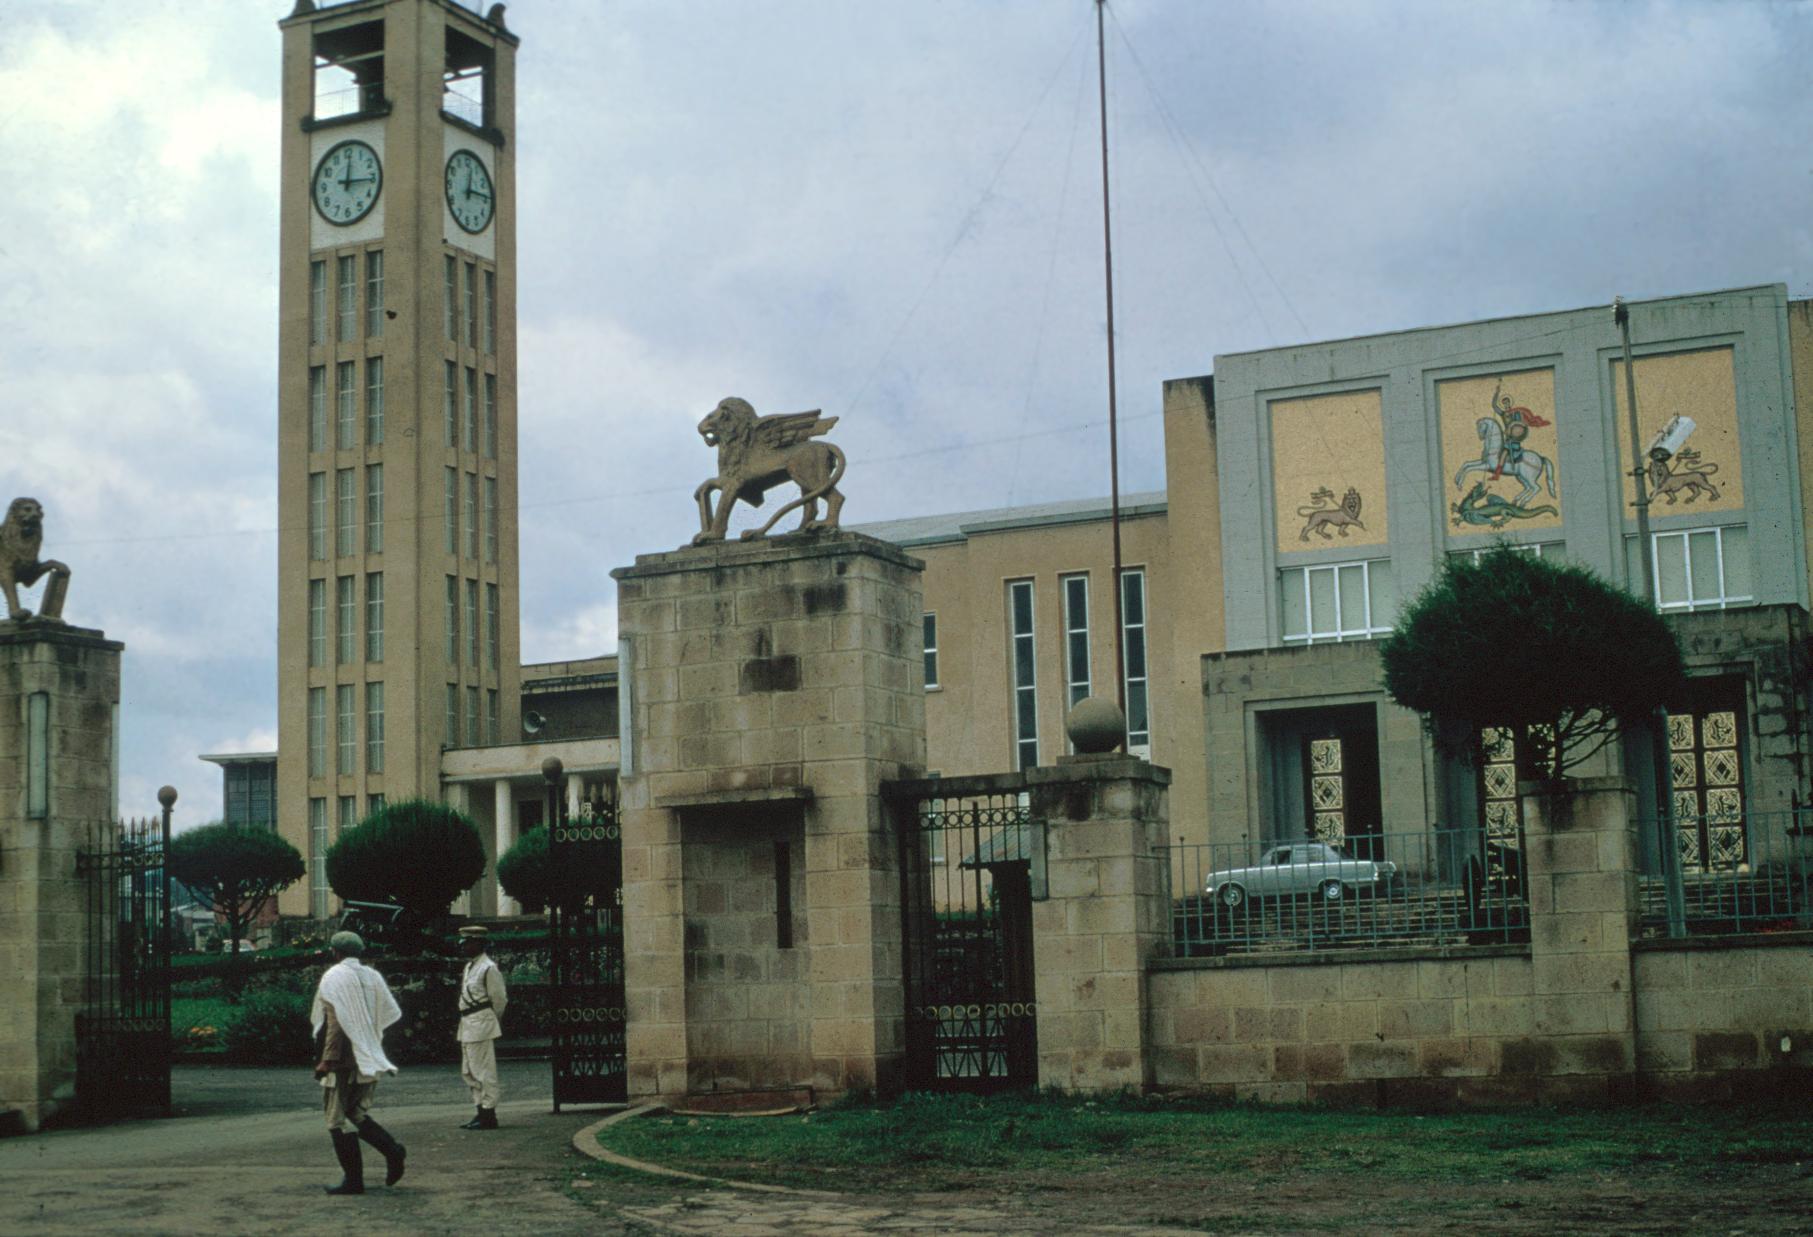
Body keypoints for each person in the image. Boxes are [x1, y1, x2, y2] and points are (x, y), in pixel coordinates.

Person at [310, 930, 407, 1195]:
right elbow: (389, 1012)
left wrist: (327, 1061)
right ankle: (393, 1150)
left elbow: (335, 1024)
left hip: (341, 1060)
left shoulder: (334, 976)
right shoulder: (372, 976)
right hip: (367, 1054)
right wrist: (368, 1038)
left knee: (335, 1120)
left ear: (336, 952)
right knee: (355, 1112)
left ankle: (353, 1181)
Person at [455, 924, 508, 1129]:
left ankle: (488, 1114)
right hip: (468, 1023)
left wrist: (491, 1021)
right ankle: (480, 1111)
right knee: (469, 1070)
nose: (463, 946)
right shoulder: (470, 966)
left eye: (467, 943)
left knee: (484, 1071)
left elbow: (499, 999)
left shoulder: (488, 968)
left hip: (481, 1023)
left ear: (479, 943)